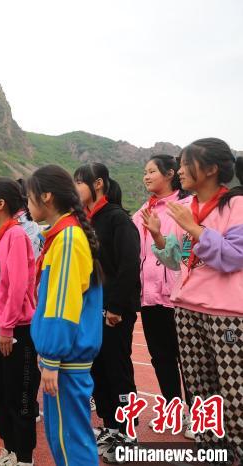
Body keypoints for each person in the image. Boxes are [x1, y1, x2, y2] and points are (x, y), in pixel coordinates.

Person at [145, 139, 243, 461]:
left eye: (187, 163)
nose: (181, 170)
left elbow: (232, 257)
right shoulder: (186, 209)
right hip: (186, 309)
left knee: (234, 393)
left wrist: (196, 229)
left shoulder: (236, 205)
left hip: (226, 315)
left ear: (212, 169)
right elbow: (180, 260)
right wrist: (160, 237)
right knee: (200, 392)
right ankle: (209, 453)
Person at [26, 165, 103, 466]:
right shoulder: (62, 236)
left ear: (46, 196)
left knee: (69, 441)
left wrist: (52, 357)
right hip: (65, 356)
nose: (27, 204)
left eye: (30, 197)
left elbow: (62, 305)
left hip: (68, 358)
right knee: (64, 437)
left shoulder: (68, 238)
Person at [74, 162, 141, 460]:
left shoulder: (117, 219)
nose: (75, 188)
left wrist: (115, 306)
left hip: (113, 311)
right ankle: (110, 426)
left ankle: (128, 431)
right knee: (98, 370)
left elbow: (128, 265)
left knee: (119, 370)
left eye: (80, 182)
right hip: (91, 310)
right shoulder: (84, 222)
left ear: (98, 183)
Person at [0, 178, 40, 466]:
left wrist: (6, 327)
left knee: (19, 396)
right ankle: (10, 449)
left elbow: (16, 286)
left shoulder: (15, 236)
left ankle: (24, 457)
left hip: (15, 329)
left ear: (1, 203)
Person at [132, 154, 194, 438]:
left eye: (152, 171)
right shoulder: (143, 211)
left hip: (180, 297)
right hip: (150, 298)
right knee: (161, 357)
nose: (146, 177)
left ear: (171, 174)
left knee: (190, 360)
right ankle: (173, 407)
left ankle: (196, 414)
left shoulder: (186, 207)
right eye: (145, 172)